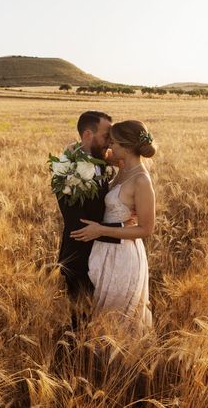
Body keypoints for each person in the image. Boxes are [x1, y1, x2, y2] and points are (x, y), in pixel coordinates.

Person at [71, 120, 156, 338]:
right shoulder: (123, 166)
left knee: (119, 322)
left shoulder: (141, 180)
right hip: (105, 249)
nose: (110, 146)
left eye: (115, 142)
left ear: (126, 147)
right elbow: (79, 150)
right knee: (102, 317)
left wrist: (102, 230)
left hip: (124, 256)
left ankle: (122, 369)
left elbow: (146, 229)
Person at [55, 111, 129, 332]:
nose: (111, 141)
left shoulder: (100, 160)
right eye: (107, 135)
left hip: (104, 255)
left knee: (103, 322)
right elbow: (80, 225)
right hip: (81, 257)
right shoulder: (68, 171)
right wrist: (125, 230)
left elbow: (130, 159)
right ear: (88, 134)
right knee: (81, 324)